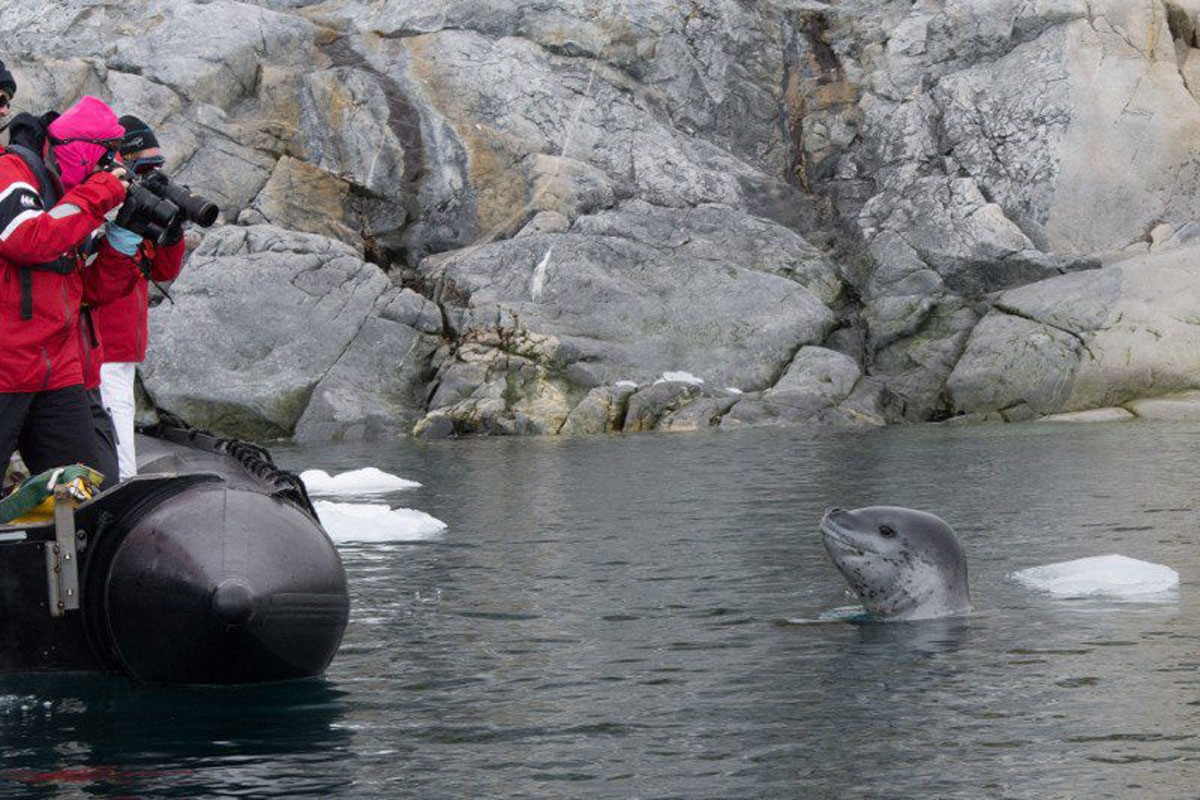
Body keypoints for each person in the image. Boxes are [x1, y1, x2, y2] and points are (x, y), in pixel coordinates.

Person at [0, 96, 129, 480]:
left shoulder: (67, 196)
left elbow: (88, 290)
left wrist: (124, 244)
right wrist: (100, 193)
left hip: (55, 368)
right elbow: (26, 237)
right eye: (106, 159)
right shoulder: (11, 170)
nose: (111, 170)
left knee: (86, 491)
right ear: (82, 153)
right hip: (7, 368)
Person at [92, 115, 186, 481]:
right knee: (114, 442)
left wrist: (173, 231)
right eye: (142, 166)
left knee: (118, 417)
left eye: (156, 166)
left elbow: (161, 271)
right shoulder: (103, 199)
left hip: (124, 345)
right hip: (100, 343)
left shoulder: (140, 203)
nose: (149, 175)